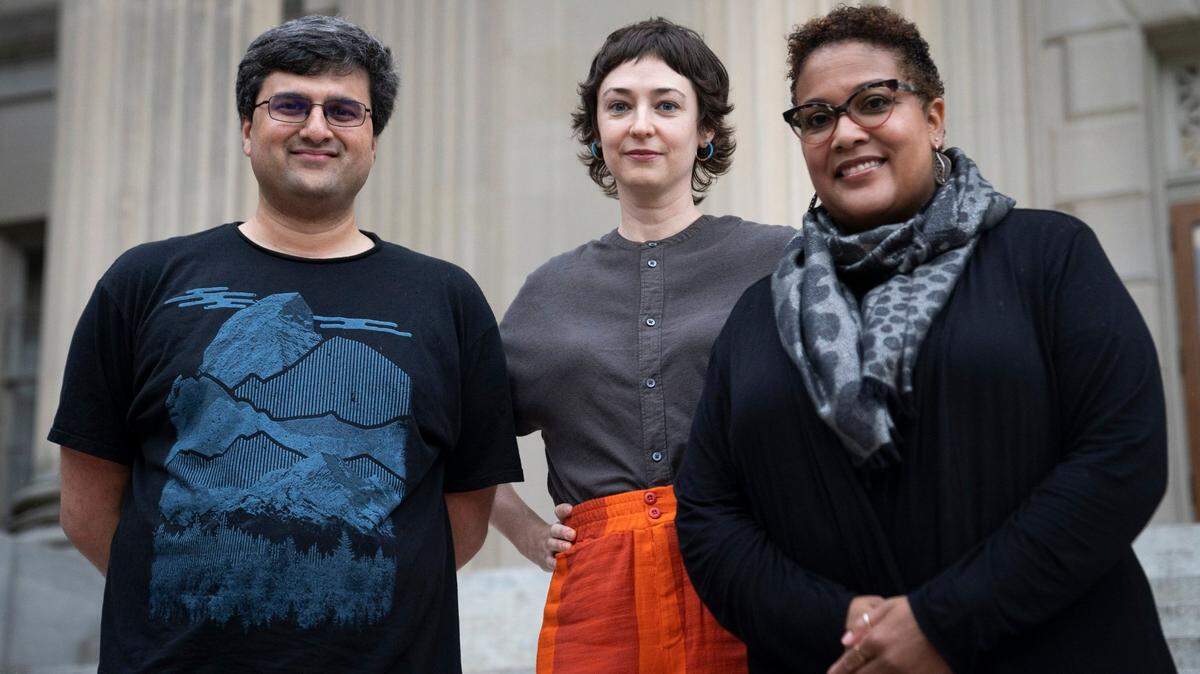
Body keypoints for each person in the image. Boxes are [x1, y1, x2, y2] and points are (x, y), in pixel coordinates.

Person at [675, 5, 1175, 674]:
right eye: (818, 117)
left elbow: (1122, 453)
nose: (846, 132)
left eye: (874, 102)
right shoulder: (756, 318)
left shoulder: (1047, 256)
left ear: (934, 118)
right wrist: (847, 627)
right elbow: (710, 516)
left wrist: (942, 622)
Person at [51, 15, 522, 672]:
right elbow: (86, 505)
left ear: (373, 138)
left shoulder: (447, 299)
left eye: (344, 110)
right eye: (290, 105)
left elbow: (462, 516)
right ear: (248, 129)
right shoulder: (144, 282)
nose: (317, 127)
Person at [490, 17, 795, 674]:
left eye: (666, 105)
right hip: (599, 589)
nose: (641, 125)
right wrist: (525, 530)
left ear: (704, 130)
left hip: (746, 560)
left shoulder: (778, 259)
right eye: (619, 106)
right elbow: (461, 434)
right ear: (597, 132)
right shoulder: (549, 291)